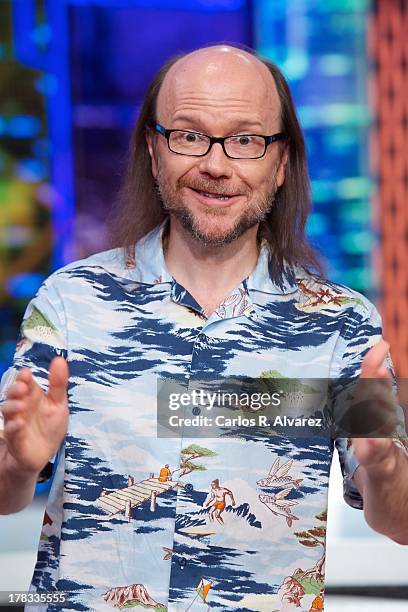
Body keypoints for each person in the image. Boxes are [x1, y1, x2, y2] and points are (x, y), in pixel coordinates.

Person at [0, 44, 407, 611]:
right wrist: (16, 463)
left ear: (283, 160)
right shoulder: (71, 301)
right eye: (189, 135)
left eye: (246, 140)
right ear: (153, 147)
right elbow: (4, 493)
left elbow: (400, 521)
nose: (216, 165)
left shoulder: (340, 324)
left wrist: (385, 468)